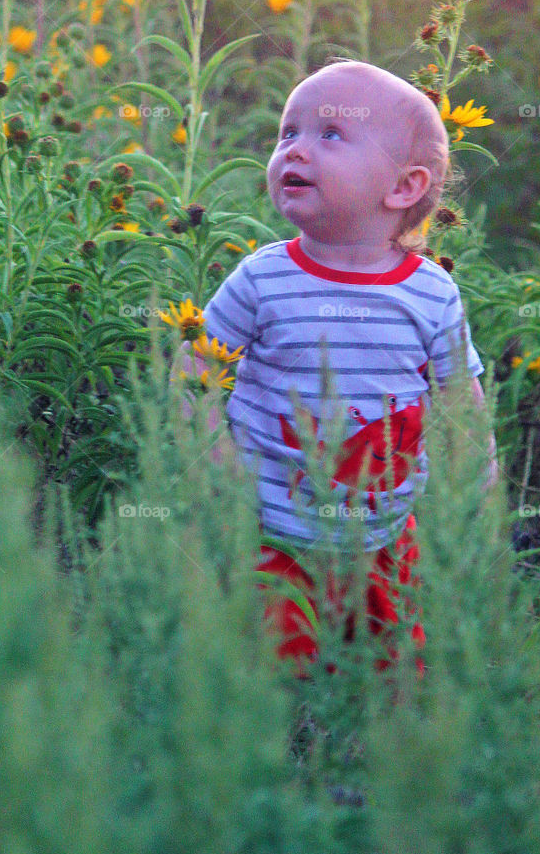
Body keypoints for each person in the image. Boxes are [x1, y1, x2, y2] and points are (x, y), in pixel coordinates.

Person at [176, 58, 499, 676]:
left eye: (330, 134)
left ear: (403, 188)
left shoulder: (431, 294)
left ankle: (376, 760)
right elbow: (192, 359)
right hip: (271, 531)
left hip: (385, 539)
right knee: (264, 674)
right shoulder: (264, 277)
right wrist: (208, 449)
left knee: (396, 673)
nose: (295, 149)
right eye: (287, 132)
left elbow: (461, 400)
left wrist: (477, 491)